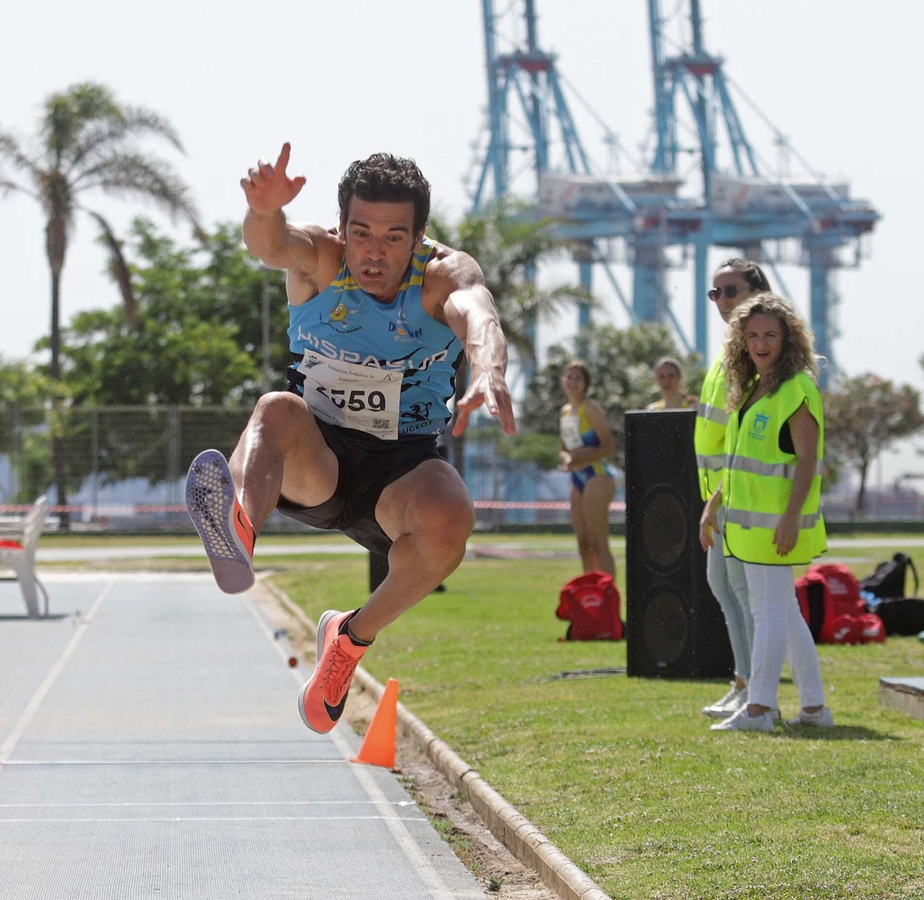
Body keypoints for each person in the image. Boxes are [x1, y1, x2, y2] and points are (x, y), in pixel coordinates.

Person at [184, 144, 515, 735]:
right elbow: (269, 244)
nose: (375, 253)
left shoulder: (442, 277)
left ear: (419, 238)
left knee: (452, 514)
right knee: (277, 408)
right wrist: (262, 210)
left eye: (394, 238)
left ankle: (349, 639)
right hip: (317, 458)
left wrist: (488, 369)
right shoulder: (320, 258)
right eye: (362, 234)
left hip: (401, 467)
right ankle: (237, 524)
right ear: (342, 227)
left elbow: (479, 314)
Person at [700, 294, 833, 732]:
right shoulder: (753, 386)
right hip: (748, 529)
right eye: (752, 335)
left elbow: (808, 463)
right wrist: (711, 507)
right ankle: (814, 708)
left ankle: (760, 709)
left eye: (770, 335)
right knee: (783, 611)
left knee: (770, 611)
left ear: (787, 339)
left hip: (776, 527)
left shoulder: (796, 388)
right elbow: (738, 463)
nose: (760, 343)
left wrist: (792, 518)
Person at [694, 258, 771, 718]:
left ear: (755, 292)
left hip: (737, 494)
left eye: (730, 290)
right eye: (715, 292)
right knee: (722, 587)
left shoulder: (754, 354)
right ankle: (742, 681)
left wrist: (719, 497)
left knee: (744, 594)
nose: (722, 301)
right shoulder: (729, 351)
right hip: (717, 494)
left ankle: (757, 692)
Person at [558, 361, 617, 576]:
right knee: (583, 544)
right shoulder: (565, 411)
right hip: (577, 478)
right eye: (569, 377)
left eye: (577, 378)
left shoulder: (590, 408)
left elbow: (609, 446)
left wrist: (577, 457)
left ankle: (609, 598)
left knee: (598, 542)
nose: (572, 382)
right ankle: (590, 596)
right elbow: (564, 450)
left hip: (597, 476)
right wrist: (566, 459)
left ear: (585, 384)